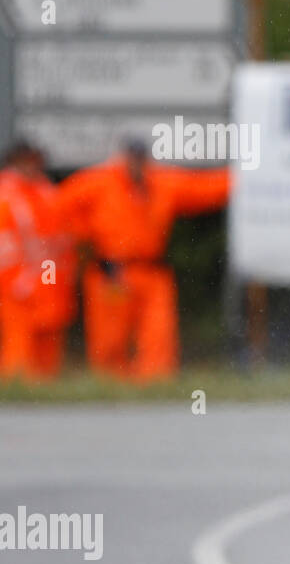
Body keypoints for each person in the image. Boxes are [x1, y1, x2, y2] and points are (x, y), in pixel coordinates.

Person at [59, 138, 230, 382]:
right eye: (132, 157)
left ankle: (154, 389)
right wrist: (86, 237)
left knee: (158, 335)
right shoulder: (100, 181)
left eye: (141, 157)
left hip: (152, 271)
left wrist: (250, 175)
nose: (137, 163)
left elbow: (204, 188)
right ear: (123, 157)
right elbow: (58, 206)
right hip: (112, 272)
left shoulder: (159, 181)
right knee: (110, 338)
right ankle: (109, 388)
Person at [0, 141, 76, 380]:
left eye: (36, 160)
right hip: (16, 286)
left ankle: (45, 395)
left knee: (48, 346)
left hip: (46, 280)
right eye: (27, 160)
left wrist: (52, 281)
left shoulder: (45, 192)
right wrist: (17, 280)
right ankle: (18, 395)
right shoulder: (6, 194)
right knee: (19, 349)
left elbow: (57, 241)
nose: (33, 166)